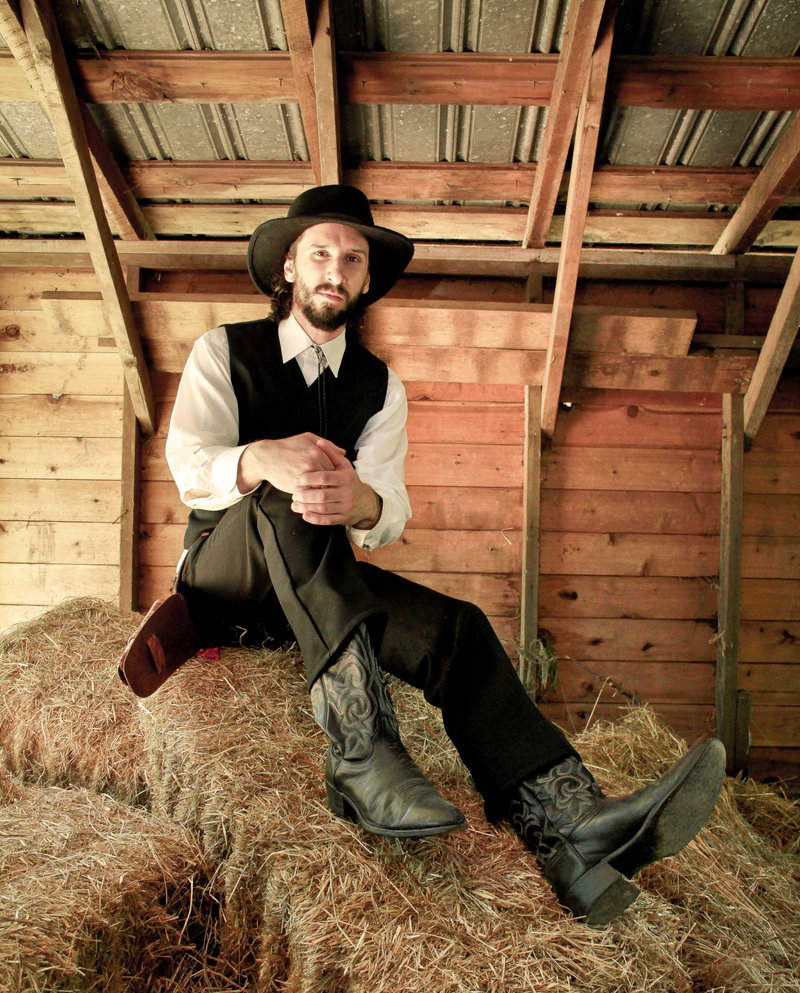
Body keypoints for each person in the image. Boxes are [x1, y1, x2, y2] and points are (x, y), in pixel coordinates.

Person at [123, 185, 725, 928]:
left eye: (353, 259)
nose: (336, 269)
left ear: (366, 280)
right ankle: (362, 751)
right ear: (289, 268)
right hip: (226, 577)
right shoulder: (223, 351)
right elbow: (189, 466)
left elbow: (389, 510)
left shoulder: (380, 387)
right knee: (296, 486)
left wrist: (361, 502)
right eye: (320, 253)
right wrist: (261, 458)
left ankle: (573, 829)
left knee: (458, 630)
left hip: (318, 591)